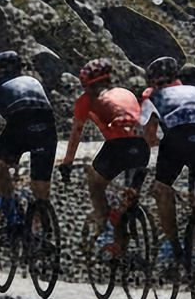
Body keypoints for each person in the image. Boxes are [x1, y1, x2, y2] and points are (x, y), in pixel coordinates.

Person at [58, 58, 147, 256]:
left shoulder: (85, 100)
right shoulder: (126, 93)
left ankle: (105, 224)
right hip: (141, 148)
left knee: (95, 182)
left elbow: (76, 135)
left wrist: (67, 163)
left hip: (116, 148)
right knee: (129, 196)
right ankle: (125, 237)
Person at [138, 55, 195, 270]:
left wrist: (152, 143)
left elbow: (149, 136)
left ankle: (175, 249)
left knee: (161, 189)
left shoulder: (153, 97)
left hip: (177, 137)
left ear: (153, 82)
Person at [0, 50, 56, 227]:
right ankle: (42, 233)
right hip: (48, 124)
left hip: (20, 122)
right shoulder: (33, 81)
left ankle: (13, 222)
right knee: (40, 187)